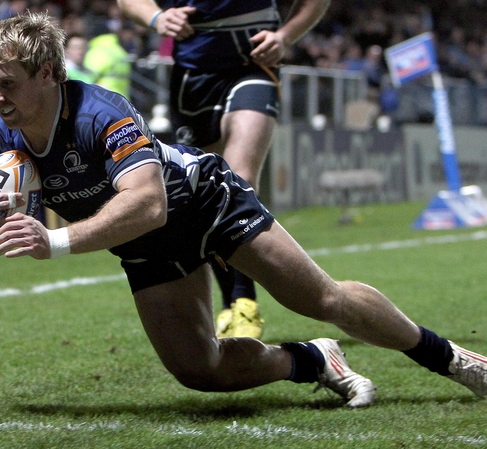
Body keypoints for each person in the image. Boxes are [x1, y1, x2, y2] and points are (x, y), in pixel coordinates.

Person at [0, 12, 487, 407]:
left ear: (50, 75)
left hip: (206, 203)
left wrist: (52, 241)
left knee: (323, 299)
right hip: (144, 244)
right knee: (199, 371)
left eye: (7, 83)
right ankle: (312, 361)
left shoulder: (100, 113)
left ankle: (448, 357)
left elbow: (149, 202)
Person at [117, 0, 331, 339]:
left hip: (253, 66)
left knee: (238, 180)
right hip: (192, 76)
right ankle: (232, 304)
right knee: (205, 196)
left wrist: (286, 36)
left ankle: (243, 302)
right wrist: (157, 17)